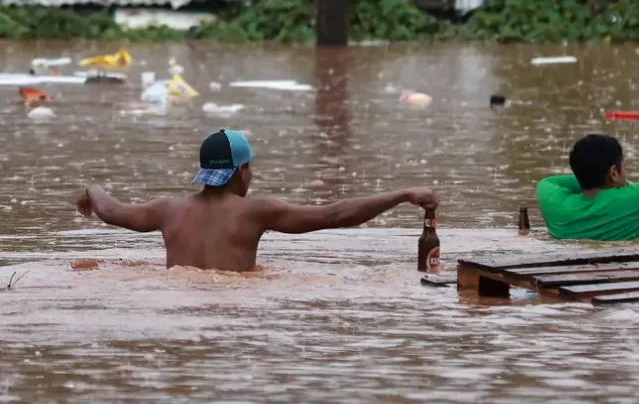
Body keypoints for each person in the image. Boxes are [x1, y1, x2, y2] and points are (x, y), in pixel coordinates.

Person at [74, 129, 438, 272]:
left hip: (176, 302)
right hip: (234, 308)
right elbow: (336, 215)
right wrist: (402, 194)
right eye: (250, 170)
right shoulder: (256, 211)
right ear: (240, 170)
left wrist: (93, 189)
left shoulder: (168, 209)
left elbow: (111, 211)